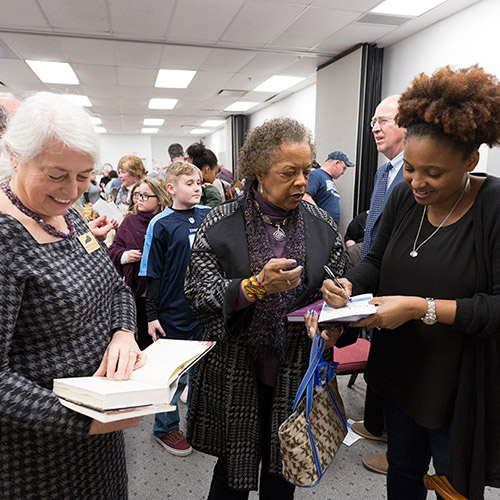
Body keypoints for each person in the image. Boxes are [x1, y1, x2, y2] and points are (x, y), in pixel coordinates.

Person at [324, 65, 500, 500]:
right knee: (402, 473)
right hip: (401, 368)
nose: (417, 183)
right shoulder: (405, 197)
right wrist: (347, 287)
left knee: (454, 485)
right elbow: (377, 262)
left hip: (459, 382)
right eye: (410, 170)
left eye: (433, 174)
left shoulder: (493, 208)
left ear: (470, 161)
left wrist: (421, 307)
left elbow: (496, 306)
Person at [184, 117, 353, 498]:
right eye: (288, 172)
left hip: (295, 367)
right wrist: (254, 286)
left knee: (284, 469)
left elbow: (339, 282)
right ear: (258, 172)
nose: (301, 182)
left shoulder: (322, 224)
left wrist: (336, 304)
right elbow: (197, 294)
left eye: (306, 171)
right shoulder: (220, 223)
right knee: (232, 471)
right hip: (236, 367)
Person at [0, 92, 145, 499]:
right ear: (14, 156)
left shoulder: (68, 217)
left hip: (99, 436)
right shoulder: (5, 238)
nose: (72, 190)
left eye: (83, 176)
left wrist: (123, 332)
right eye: (57, 174)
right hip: (37, 453)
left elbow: (115, 286)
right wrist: (82, 418)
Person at [139, 161, 210, 457]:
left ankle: (195, 423)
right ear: (171, 188)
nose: (197, 188)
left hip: (205, 309)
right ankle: (165, 428)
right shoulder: (161, 223)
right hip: (173, 311)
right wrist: (152, 316)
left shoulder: (209, 215)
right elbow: (152, 272)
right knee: (172, 375)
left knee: (200, 373)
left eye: (199, 182)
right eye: (189, 183)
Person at [353, 94, 408, 475]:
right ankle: (380, 428)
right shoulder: (385, 170)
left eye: (384, 120)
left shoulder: (410, 174)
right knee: (383, 357)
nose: (375, 126)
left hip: (402, 285)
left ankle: (399, 449)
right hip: (376, 273)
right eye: (373, 120)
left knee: (399, 364)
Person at [108, 178, 171, 350]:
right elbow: (113, 249)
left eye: (145, 196)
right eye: (138, 195)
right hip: (136, 295)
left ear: (159, 198)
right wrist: (125, 256)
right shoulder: (129, 221)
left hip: (163, 295)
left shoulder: (166, 222)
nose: (139, 200)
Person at [303, 150, 355, 225]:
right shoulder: (316, 175)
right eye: (344, 168)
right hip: (319, 227)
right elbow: (305, 197)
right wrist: (322, 219)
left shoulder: (328, 179)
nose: (343, 172)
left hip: (329, 229)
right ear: (337, 163)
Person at [186, 141, 222, 207]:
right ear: (207, 169)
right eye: (215, 173)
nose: (215, 177)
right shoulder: (201, 189)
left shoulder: (187, 185)